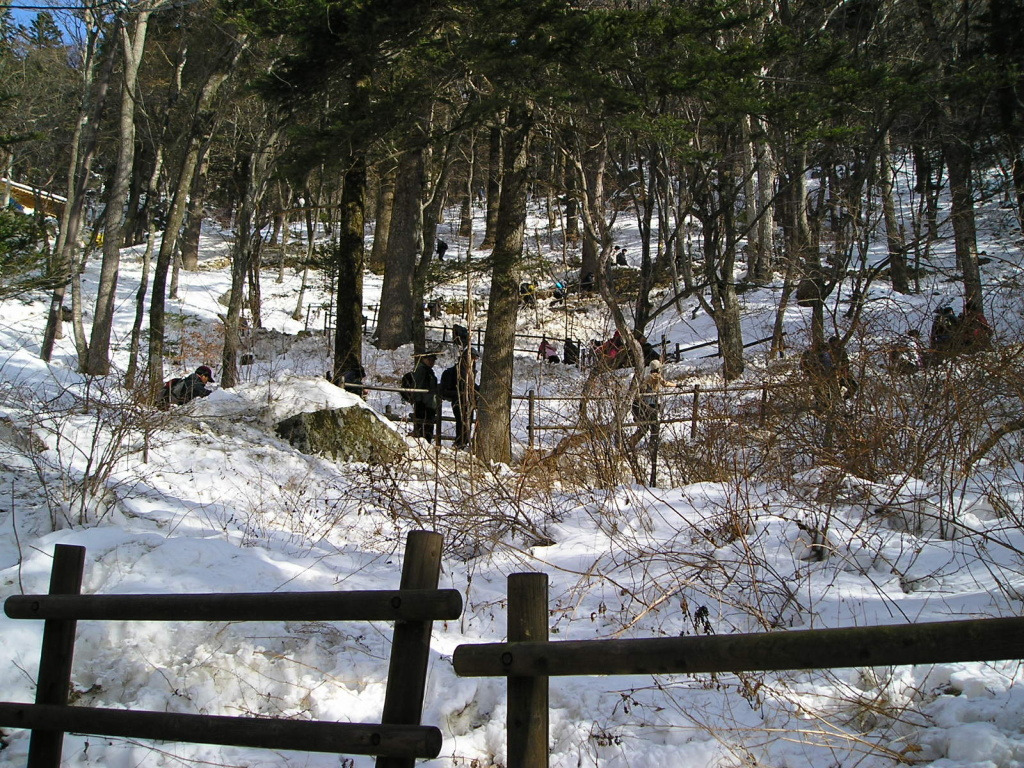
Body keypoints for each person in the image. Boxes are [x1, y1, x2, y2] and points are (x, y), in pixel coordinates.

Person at [630, 359, 678, 447]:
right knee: (654, 425)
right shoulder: (655, 377)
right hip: (650, 404)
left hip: (645, 404)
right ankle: (652, 443)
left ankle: (633, 441)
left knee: (646, 426)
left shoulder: (647, 377)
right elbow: (665, 383)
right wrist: (676, 385)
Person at [450, 348, 479, 449]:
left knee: (467, 422)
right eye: (473, 358)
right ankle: (460, 443)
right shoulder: (460, 370)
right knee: (462, 422)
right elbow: (463, 384)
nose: (474, 361)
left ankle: (463, 443)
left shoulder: (468, 370)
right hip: (459, 399)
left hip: (467, 400)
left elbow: (470, 385)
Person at [410, 351, 440, 442]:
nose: (431, 362)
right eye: (429, 360)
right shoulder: (421, 370)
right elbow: (418, 386)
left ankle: (426, 441)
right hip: (424, 402)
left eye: (433, 360)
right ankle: (422, 442)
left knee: (428, 425)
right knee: (423, 424)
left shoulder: (428, 371)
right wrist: (419, 401)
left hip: (429, 402)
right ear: (424, 359)